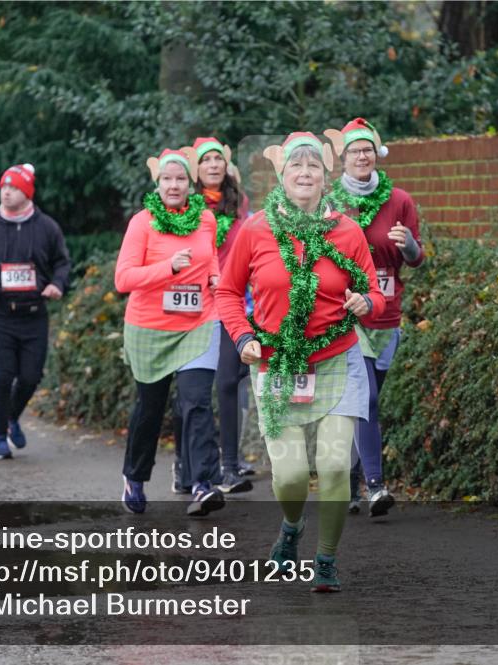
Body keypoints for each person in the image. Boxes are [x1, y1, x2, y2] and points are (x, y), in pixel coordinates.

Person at [216, 132, 386, 592]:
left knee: (333, 466)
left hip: (336, 359)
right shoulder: (255, 229)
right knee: (290, 476)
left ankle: (326, 558)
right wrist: (243, 336)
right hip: (276, 364)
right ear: (282, 173)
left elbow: (374, 293)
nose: (305, 173)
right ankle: (291, 528)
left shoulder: (347, 231)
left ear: (326, 175)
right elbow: (227, 292)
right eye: (297, 165)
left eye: (314, 166)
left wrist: (364, 303)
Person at [114, 148, 225, 517]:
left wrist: (215, 277)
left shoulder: (206, 219)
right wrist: (168, 268)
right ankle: (134, 477)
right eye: (167, 179)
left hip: (198, 322)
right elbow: (123, 279)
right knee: (150, 408)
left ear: (190, 183)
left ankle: (203, 483)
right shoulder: (142, 223)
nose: (174, 185)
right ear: (157, 183)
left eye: (180, 178)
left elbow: (210, 258)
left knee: (197, 401)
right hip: (150, 327)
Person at [325, 118, 424, 517]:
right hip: (347, 313)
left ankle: (349, 481)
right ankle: (376, 486)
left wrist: (410, 244)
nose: (362, 156)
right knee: (365, 397)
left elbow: (415, 259)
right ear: (344, 158)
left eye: (368, 149)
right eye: (355, 151)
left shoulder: (399, 200)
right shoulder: (330, 201)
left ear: (376, 154)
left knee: (363, 402)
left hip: (387, 313)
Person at [0, 163, 70, 460]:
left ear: (27, 193)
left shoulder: (47, 227)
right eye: (4, 187)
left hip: (34, 314)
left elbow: (62, 263)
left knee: (30, 376)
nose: (6, 192)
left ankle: (10, 418)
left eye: (14, 188)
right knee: (1, 376)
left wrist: (57, 284)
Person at [188, 136, 253, 495]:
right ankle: (199, 464)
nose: (213, 164)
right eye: (206, 159)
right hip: (199, 304)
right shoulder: (187, 205)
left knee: (234, 379)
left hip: (236, 300)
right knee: (205, 385)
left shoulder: (238, 202)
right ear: (195, 169)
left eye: (218, 158)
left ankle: (230, 461)